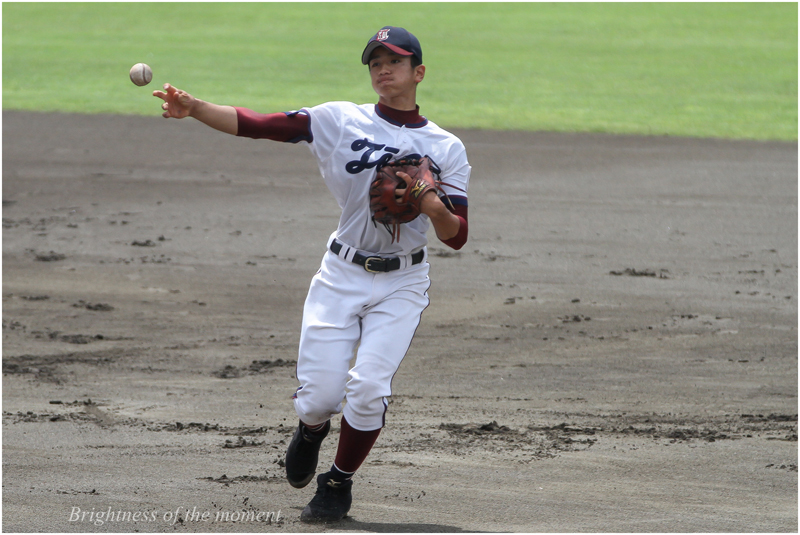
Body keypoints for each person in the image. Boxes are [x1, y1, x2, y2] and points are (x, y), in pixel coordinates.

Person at [153, 25, 471, 523]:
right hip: (341, 274)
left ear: (419, 72)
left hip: (402, 283)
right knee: (320, 398)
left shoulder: (446, 147)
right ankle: (310, 429)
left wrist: (432, 206)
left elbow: (457, 235)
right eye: (374, 62)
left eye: (394, 60)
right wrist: (196, 109)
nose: (382, 69)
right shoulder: (339, 120)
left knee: (369, 389)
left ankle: (337, 484)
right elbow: (261, 124)